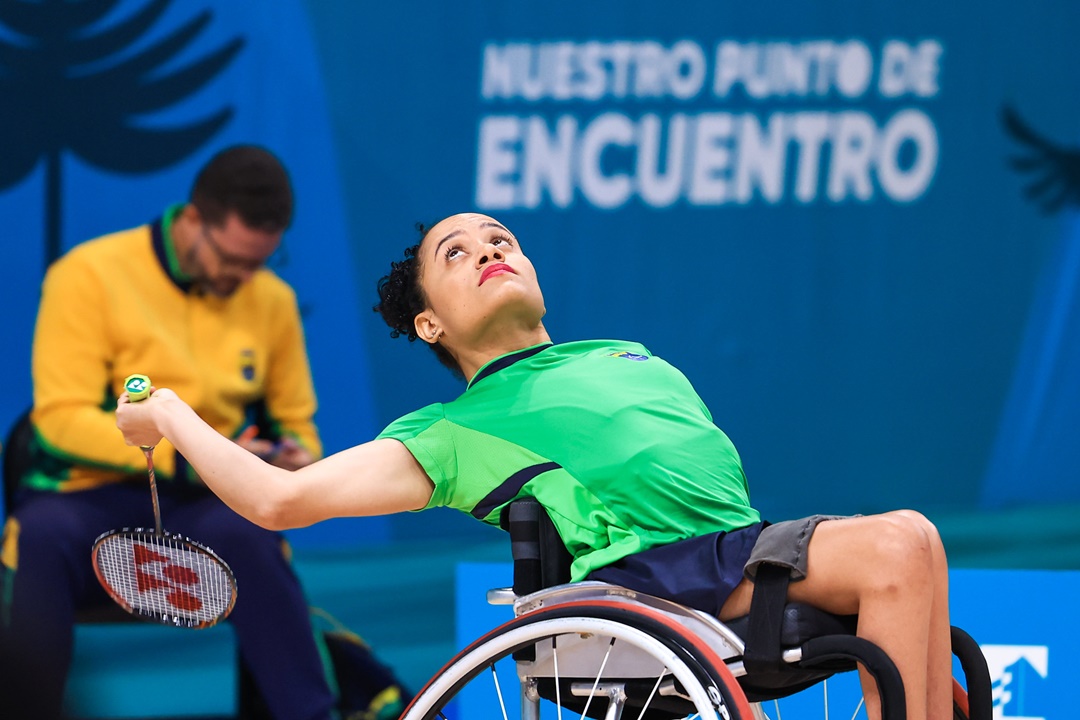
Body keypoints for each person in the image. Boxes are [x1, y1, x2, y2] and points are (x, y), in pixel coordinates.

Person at [114, 212, 955, 720]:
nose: (488, 251)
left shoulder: (630, 354)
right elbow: (279, 499)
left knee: (915, 553)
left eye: (500, 239)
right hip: (654, 585)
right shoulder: (447, 431)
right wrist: (173, 415)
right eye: (457, 255)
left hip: (738, 550)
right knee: (899, 544)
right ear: (431, 327)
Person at [0, 146, 337, 719]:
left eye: (259, 263)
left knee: (254, 542)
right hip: (87, 497)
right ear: (192, 221)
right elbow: (59, 421)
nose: (243, 277)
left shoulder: (272, 301)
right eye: (232, 259)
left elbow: (297, 426)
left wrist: (295, 458)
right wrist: (187, 453)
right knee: (39, 535)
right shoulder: (87, 275)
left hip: (203, 504)